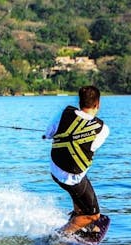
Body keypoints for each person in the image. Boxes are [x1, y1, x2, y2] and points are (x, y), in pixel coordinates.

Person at [42, 86, 110, 235]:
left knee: (78, 186)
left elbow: (48, 134)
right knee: (94, 215)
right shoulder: (102, 128)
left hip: (55, 170)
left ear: (79, 102)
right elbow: (92, 147)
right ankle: (60, 236)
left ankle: (78, 214)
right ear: (97, 104)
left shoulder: (65, 112)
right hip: (72, 177)